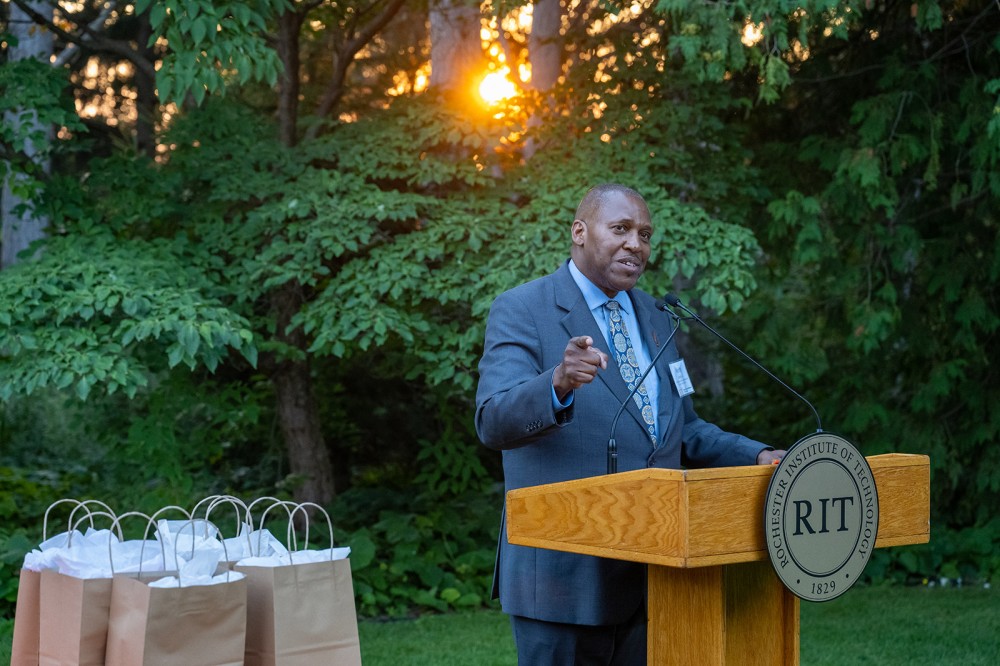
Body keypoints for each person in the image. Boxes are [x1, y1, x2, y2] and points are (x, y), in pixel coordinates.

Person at [475, 183, 785, 665]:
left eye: (644, 234)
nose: (635, 244)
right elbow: (492, 420)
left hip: (654, 575)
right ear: (579, 232)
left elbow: (681, 430)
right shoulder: (524, 308)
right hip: (564, 580)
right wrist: (557, 382)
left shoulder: (657, 318)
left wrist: (758, 455)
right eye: (620, 229)